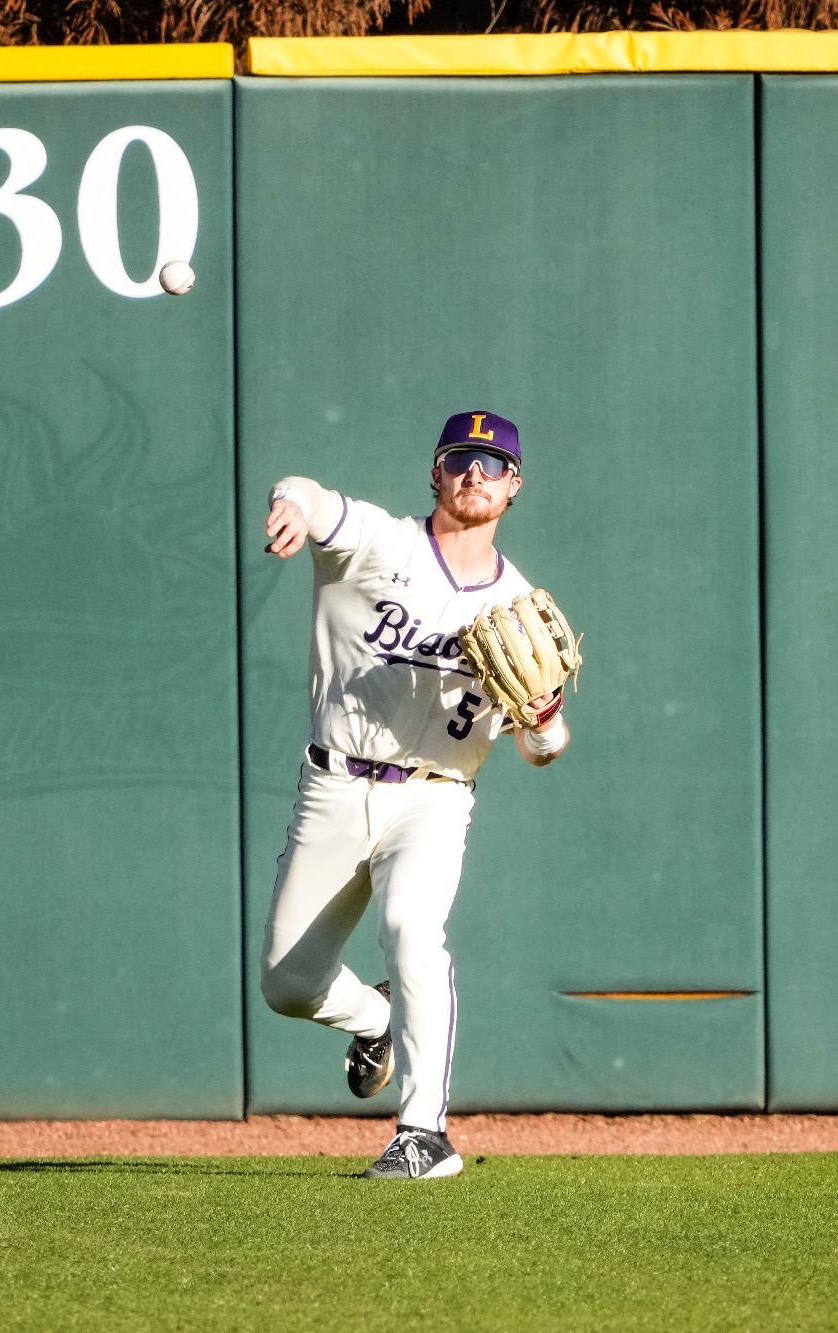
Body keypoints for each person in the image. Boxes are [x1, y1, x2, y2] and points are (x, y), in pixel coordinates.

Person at [258, 410, 571, 1180]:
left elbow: (542, 748)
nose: (476, 474)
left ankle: (424, 1131)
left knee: (410, 925)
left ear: (514, 487)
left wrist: (547, 717)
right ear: (436, 472)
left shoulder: (522, 604)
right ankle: (378, 1020)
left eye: (493, 466)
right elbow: (308, 492)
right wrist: (293, 505)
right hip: (335, 780)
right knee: (286, 984)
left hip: (435, 795)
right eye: (461, 460)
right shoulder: (379, 542)